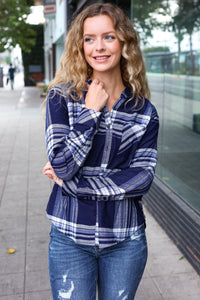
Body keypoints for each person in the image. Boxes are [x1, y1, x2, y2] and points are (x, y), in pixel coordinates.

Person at [43, 3, 159, 300]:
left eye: (108, 36)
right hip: (70, 238)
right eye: (89, 38)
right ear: (80, 46)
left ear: (124, 42)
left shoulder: (144, 111)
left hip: (125, 240)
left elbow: (141, 179)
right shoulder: (61, 99)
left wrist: (76, 185)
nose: (99, 47)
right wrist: (90, 112)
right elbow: (64, 165)